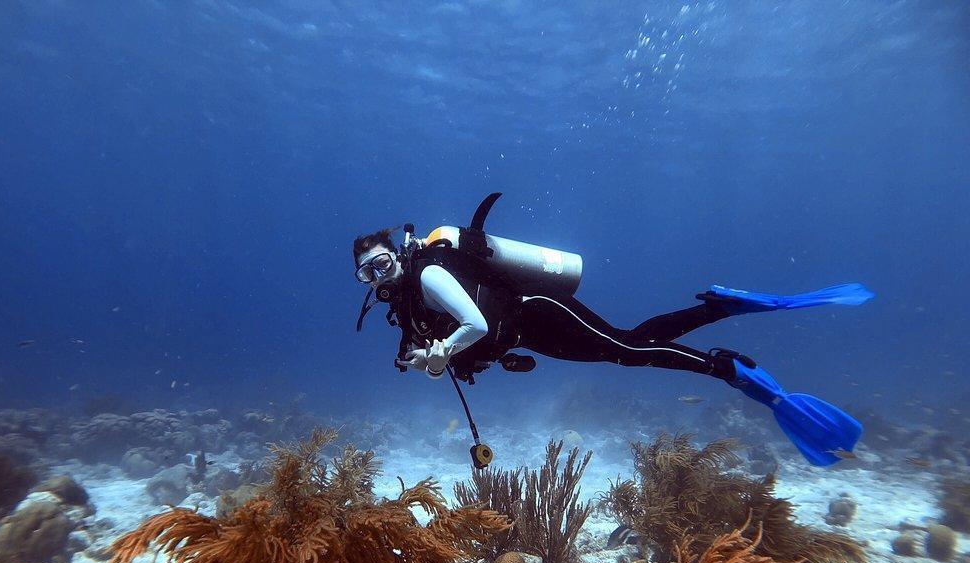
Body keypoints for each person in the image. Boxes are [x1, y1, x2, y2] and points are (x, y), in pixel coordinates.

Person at [353, 195, 873, 466]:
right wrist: (430, 361)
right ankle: (721, 308)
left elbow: (475, 323)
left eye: (380, 263)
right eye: (367, 273)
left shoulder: (429, 273)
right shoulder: (407, 306)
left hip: (538, 313)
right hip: (528, 334)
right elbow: (445, 355)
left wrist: (442, 350)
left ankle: (727, 366)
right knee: (631, 342)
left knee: (627, 349)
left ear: (395, 254)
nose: (378, 277)